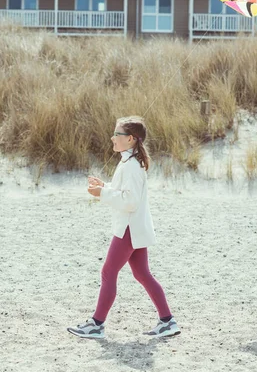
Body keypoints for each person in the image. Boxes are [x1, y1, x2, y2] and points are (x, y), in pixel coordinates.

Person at [67, 116, 180, 339]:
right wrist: (105, 187)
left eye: (116, 134)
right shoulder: (128, 162)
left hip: (129, 229)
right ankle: (168, 322)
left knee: (108, 272)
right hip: (133, 228)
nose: (112, 138)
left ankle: (97, 325)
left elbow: (130, 201)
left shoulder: (132, 166)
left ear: (129, 139)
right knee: (142, 274)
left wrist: (102, 193)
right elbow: (124, 193)